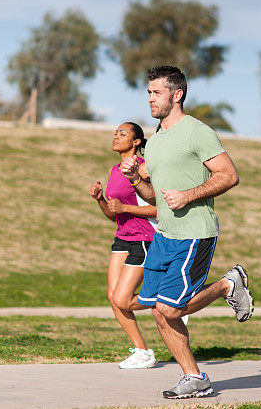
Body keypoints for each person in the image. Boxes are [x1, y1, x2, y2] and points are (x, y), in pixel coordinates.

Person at [120, 65, 253, 399]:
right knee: (155, 307)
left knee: (170, 309)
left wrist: (189, 195)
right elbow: (155, 197)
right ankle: (194, 377)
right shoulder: (156, 141)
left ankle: (227, 284)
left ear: (177, 94)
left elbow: (229, 175)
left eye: (157, 92)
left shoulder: (197, 131)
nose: (150, 98)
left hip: (195, 232)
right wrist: (137, 179)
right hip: (165, 234)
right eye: (149, 92)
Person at [88, 122, 158, 369]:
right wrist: (101, 200)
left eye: (123, 133)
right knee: (113, 297)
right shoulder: (113, 170)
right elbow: (113, 215)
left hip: (144, 237)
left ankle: (172, 300)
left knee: (123, 298)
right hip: (122, 237)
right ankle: (143, 352)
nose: (116, 137)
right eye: (115, 133)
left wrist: (126, 207)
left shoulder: (145, 168)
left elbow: (159, 208)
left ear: (136, 142)